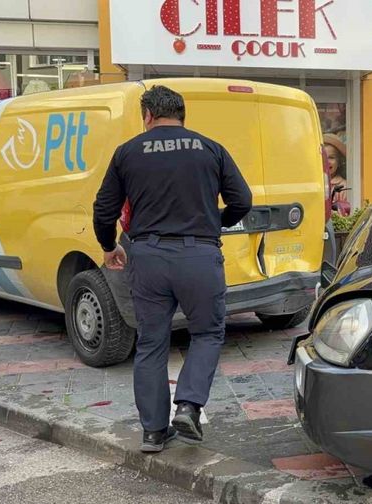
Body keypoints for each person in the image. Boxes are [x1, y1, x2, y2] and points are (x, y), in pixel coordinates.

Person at [92, 85, 252, 453]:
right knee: (208, 333)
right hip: (199, 256)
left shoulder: (127, 152)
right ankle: (189, 407)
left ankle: (152, 432)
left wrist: (108, 246)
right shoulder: (211, 148)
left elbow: (104, 209)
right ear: (182, 115)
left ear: (147, 115)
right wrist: (216, 221)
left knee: (151, 343)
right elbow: (242, 200)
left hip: (146, 257)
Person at [324, 133, 351, 216]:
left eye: (331, 157)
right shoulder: (316, 184)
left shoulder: (343, 186)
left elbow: (346, 212)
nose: (327, 162)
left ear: (339, 161)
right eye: (324, 157)